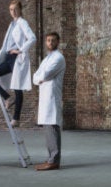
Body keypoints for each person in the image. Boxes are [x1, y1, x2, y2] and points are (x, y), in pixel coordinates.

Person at [0, 0, 36, 127]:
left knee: (18, 88)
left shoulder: (23, 23)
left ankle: (16, 119)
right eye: (11, 9)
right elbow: (5, 45)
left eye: (15, 9)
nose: (13, 12)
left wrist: (20, 50)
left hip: (16, 58)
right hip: (7, 58)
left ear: (20, 9)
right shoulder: (11, 24)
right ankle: (7, 97)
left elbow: (32, 38)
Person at [32, 32, 66, 171]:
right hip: (45, 97)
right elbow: (35, 77)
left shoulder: (58, 58)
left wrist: (41, 77)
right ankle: (51, 158)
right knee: (48, 129)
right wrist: (40, 78)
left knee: (52, 128)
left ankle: (54, 161)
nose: (50, 42)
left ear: (58, 42)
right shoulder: (47, 59)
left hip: (52, 97)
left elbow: (45, 75)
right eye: (48, 40)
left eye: (53, 40)